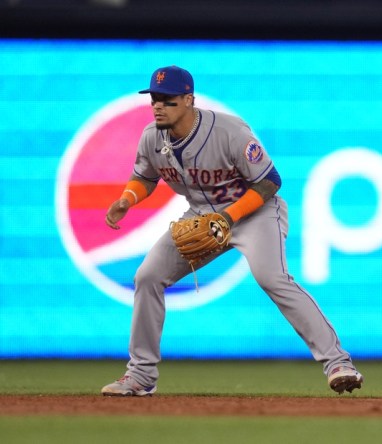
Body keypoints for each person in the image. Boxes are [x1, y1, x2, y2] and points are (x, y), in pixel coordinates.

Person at [101, 65, 363, 396]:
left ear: (188, 99)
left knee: (273, 279)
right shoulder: (152, 137)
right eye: (154, 98)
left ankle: (338, 363)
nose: (157, 105)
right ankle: (140, 375)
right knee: (148, 277)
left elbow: (270, 181)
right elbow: (146, 176)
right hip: (200, 217)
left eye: (167, 100)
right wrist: (128, 198)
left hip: (256, 214)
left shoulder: (228, 131)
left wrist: (229, 216)